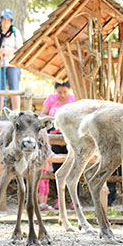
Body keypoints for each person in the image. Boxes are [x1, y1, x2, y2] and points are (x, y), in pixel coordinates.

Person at [40, 81, 76, 210]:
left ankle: (73, 200)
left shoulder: (73, 100)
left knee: (72, 167)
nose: (62, 95)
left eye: (64, 92)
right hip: (54, 136)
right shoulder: (51, 99)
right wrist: (53, 119)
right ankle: (59, 199)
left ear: (69, 91)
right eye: (59, 92)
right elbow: (42, 114)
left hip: (69, 136)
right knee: (57, 168)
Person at [0, 9, 23, 120]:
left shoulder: (15, 32)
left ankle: (17, 114)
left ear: (11, 21)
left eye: (7, 20)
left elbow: (20, 49)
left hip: (12, 64)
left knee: (14, 89)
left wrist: (7, 51)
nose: (5, 22)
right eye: (3, 19)